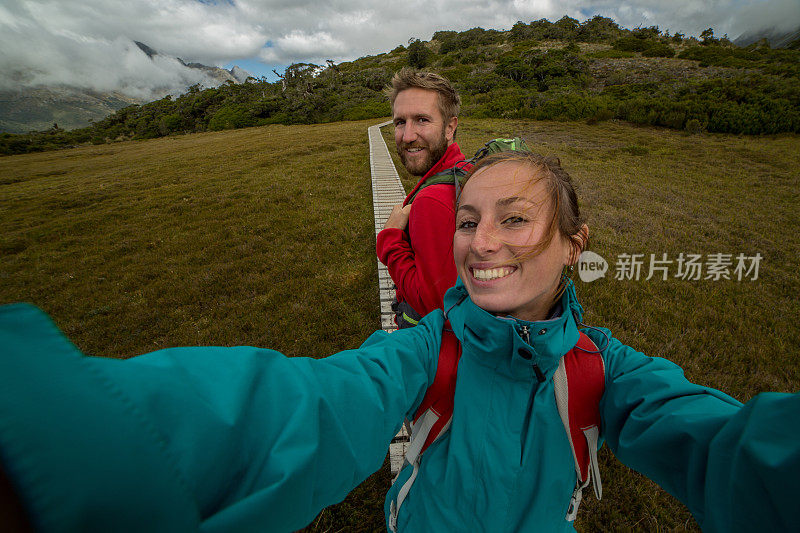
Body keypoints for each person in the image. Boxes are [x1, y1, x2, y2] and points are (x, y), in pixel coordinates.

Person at [1, 151, 798, 532]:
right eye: (467, 220)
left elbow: (722, 444)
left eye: (514, 218)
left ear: (574, 242)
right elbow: (305, 407)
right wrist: (70, 438)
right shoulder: (426, 348)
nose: (480, 242)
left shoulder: (607, 366)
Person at [377, 69, 471, 328]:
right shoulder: (464, 170)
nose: (407, 136)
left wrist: (390, 238)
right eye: (400, 122)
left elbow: (430, 303)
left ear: (450, 127)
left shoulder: (432, 200)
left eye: (421, 120)